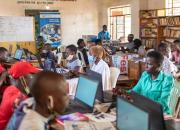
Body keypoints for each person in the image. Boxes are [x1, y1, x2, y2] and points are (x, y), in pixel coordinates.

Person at [0, 61, 39, 130]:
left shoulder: (10, 88)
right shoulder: (18, 100)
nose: (34, 79)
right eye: (32, 75)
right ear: (22, 78)